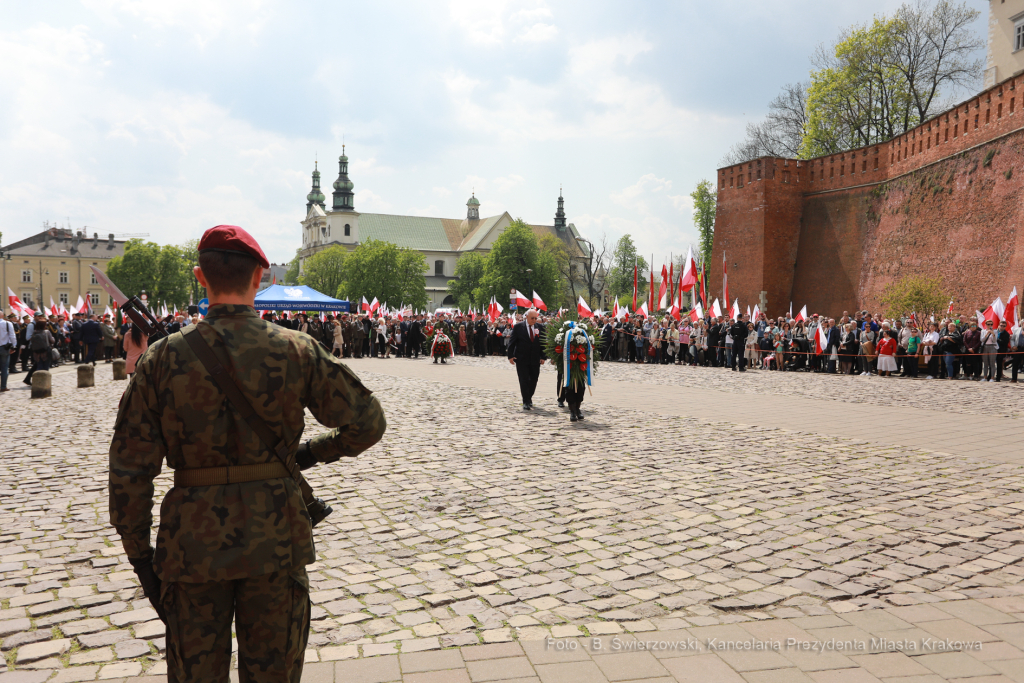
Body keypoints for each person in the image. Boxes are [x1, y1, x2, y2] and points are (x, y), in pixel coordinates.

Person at [108, 225, 386, 683]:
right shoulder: (296, 349)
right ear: (260, 277)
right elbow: (368, 423)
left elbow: (129, 469)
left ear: (201, 277)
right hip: (275, 540)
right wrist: (310, 454)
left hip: (192, 550)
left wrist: (140, 557)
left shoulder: (161, 359)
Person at [508, 308, 546, 410]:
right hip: (521, 358)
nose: (534, 320)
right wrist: (510, 356)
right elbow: (512, 342)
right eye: (532, 318)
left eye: (535, 318)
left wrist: (543, 357)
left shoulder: (540, 327)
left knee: (534, 380)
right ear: (527, 317)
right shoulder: (518, 327)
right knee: (523, 380)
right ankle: (526, 401)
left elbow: (543, 343)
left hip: (535, 358)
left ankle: (529, 397)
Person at [0, 313, 17, 392]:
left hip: (4, 348)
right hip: (4, 348)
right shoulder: (7, 323)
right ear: (2, 316)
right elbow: (12, 335)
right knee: (4, 368)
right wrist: (14, 346)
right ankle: (3, 387)